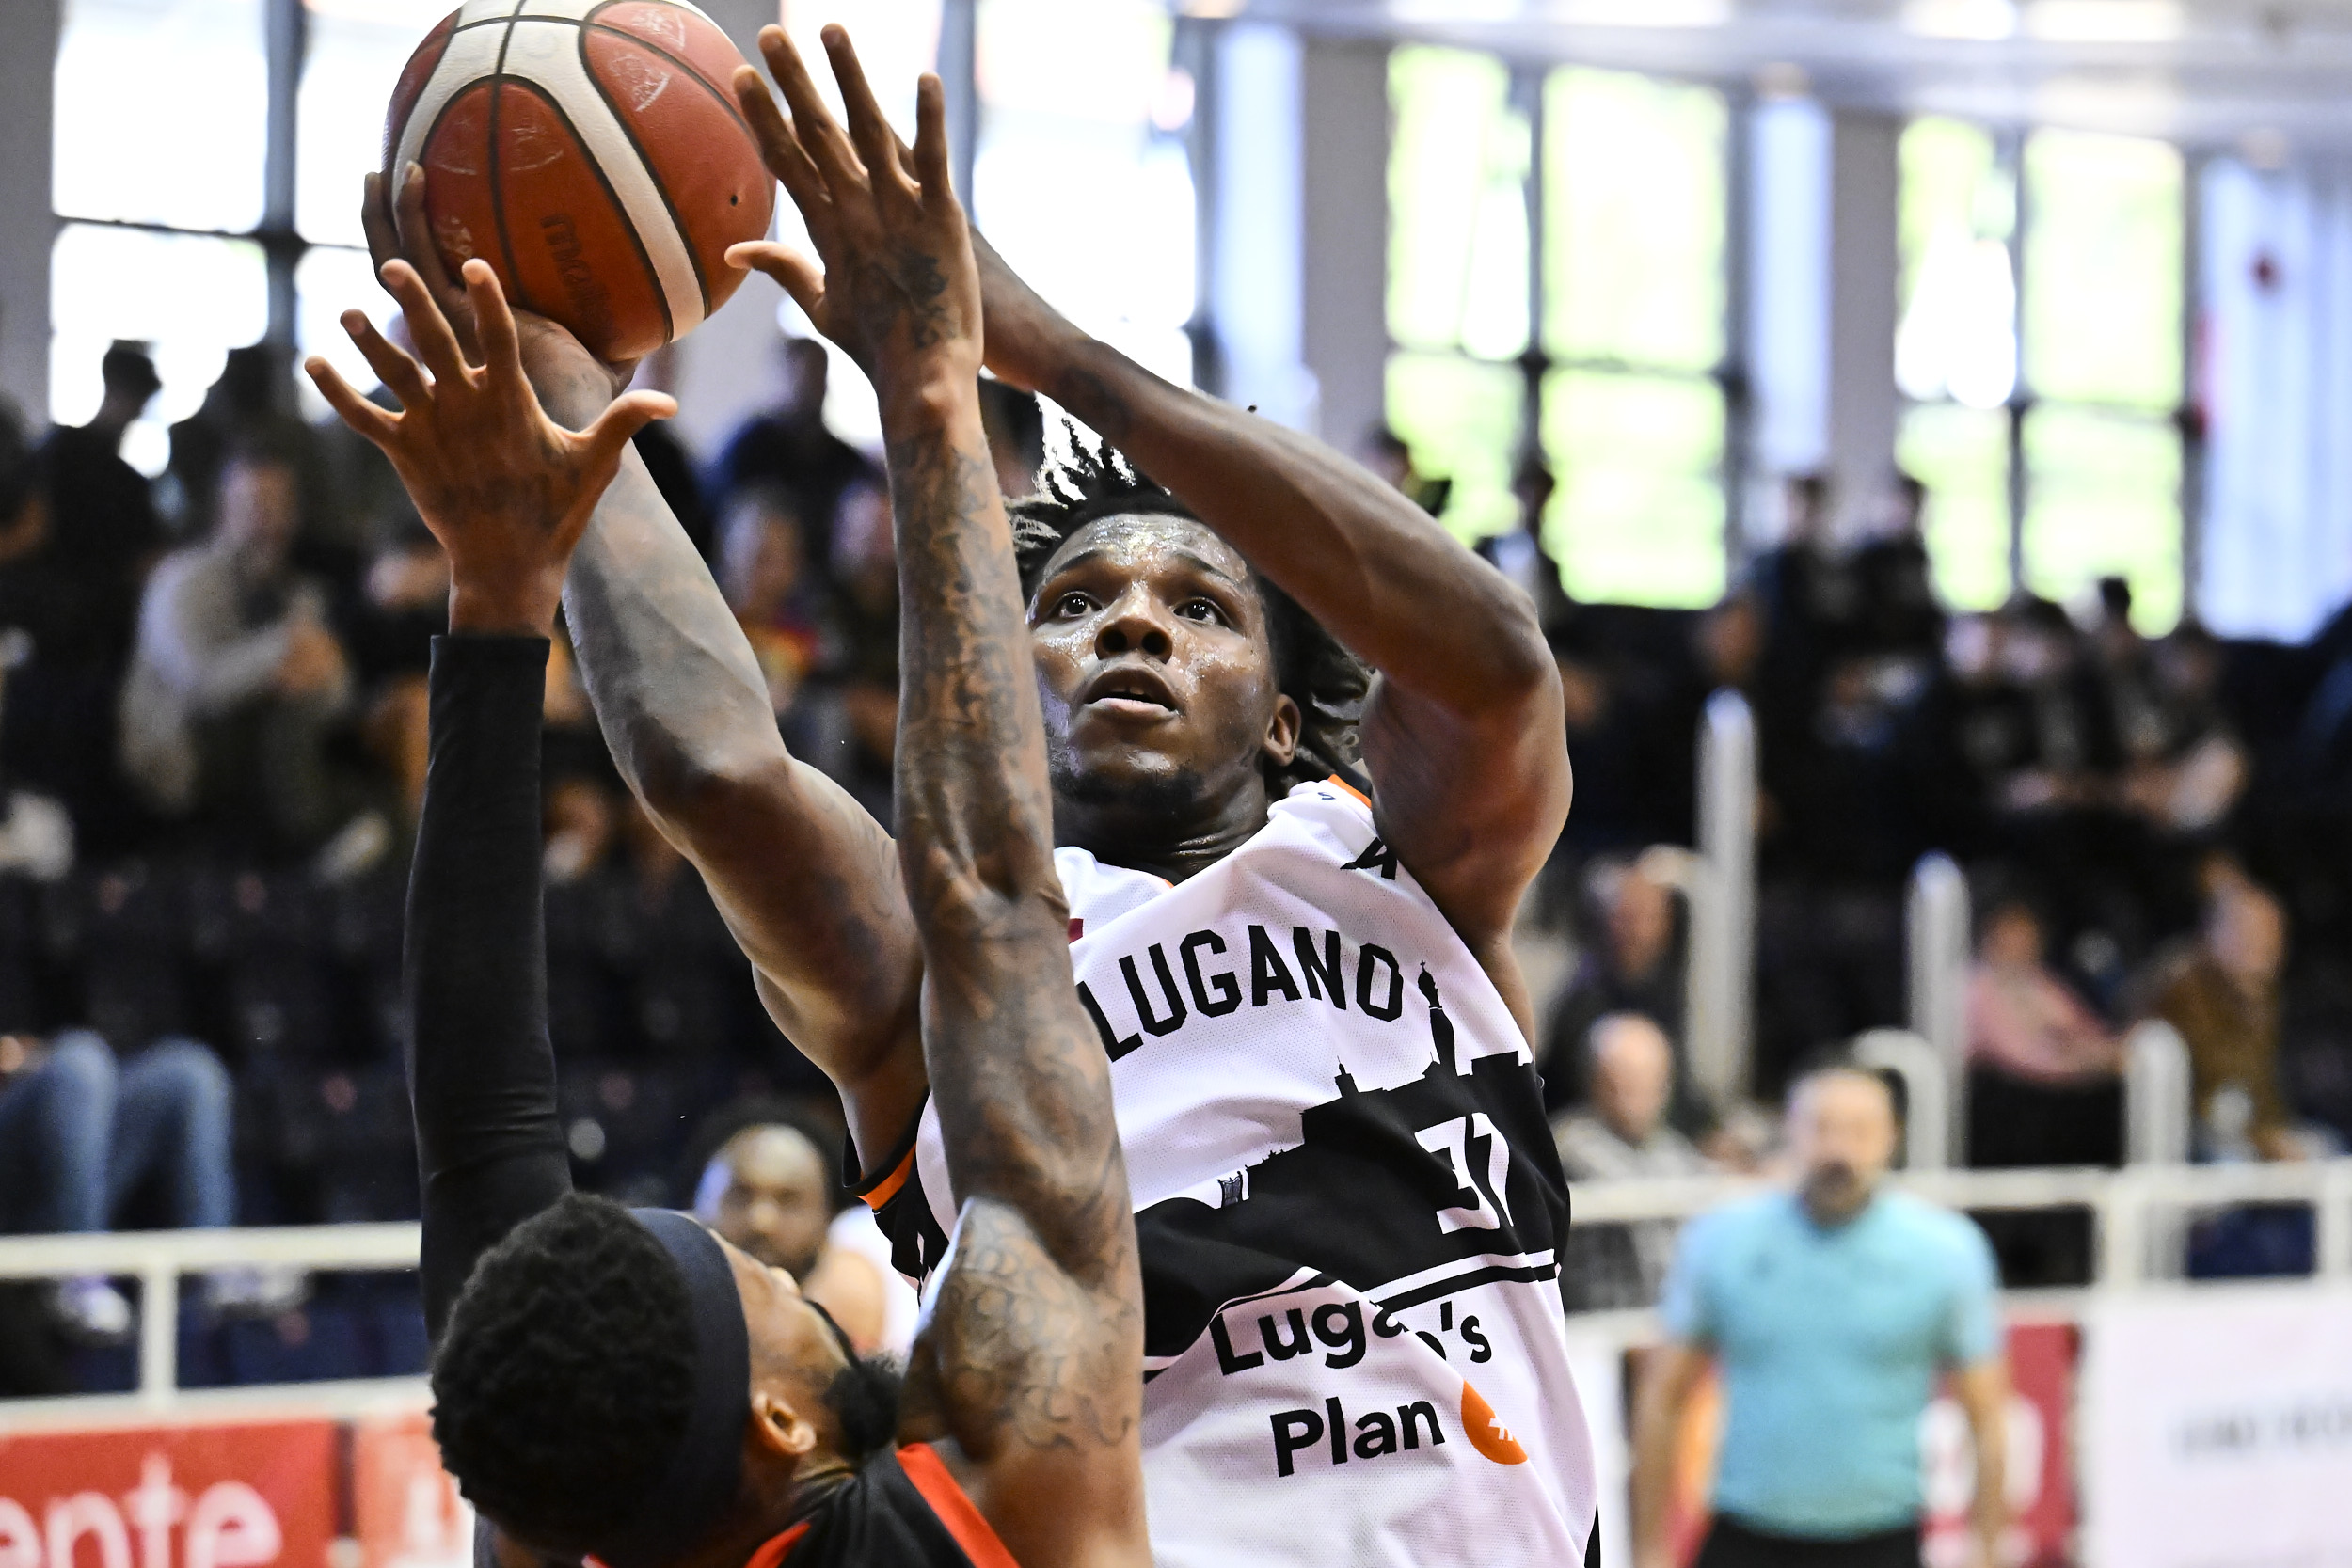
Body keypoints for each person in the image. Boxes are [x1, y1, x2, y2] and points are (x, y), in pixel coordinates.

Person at [369, 22, 1597, 1563]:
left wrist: (1048, 351)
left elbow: (1497, 664)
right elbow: (716, 767)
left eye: (1200, 606)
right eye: (1074, 606)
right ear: (996, 690)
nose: (1134, 622)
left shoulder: (1396, 859)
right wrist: (561, 382)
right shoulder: (939, 960)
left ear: (1291, 718)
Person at [312, 137, 1150, 1563]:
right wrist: (929, 385)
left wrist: (498, 597)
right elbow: (994, 910)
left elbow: (480, 1121)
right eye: (759, 1274)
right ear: (776, 1415)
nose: (784, 1260)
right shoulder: (989, 1510)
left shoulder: (580, 1496)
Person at [1630, 1065, 2009, 1568]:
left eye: (1859, 1130)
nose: (1839, 1150)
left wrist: (1987, 1549)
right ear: (1789, 1131)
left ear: (1892, 1138)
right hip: (1745, 1534)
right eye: (1821, 1127)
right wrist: (1649, 1546)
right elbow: (1663, 1396)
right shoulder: (1721, 1242)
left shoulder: (1946, 1253)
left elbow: (1987, 1415)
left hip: (1883, 1540)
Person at [118, 435, 356, 853]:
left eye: (279, 505)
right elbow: (199, 686)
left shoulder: (299, 591)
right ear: (222, 511)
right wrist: (285, 651)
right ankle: (312, 844)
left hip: (262, 755)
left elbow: (336, 692)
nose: (267, 521)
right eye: (254, 506)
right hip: (176, 757)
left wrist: (306, 672)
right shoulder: (183, 581)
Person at [0, 1028, 257, 1338]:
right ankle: (77, 1272)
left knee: (189, 1070)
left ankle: (211, 1263)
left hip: (74, 1142)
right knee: (81, 1059)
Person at [689, 1101, 896, 1354]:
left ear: (829, 1217)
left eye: (789, 1200)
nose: (762, 1222)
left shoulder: (862, 1341)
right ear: (696, 1204)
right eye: (740, 1195)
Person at [1552, 1013, 1710, 1311]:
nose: (1641, 1096)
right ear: (1597, 1082)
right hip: (1594, 1324)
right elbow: (1627, 1191)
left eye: (1653, 1081)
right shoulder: (1570, 1143)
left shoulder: (1672, 1147)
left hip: (1664, 1320)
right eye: (1626, 1081)